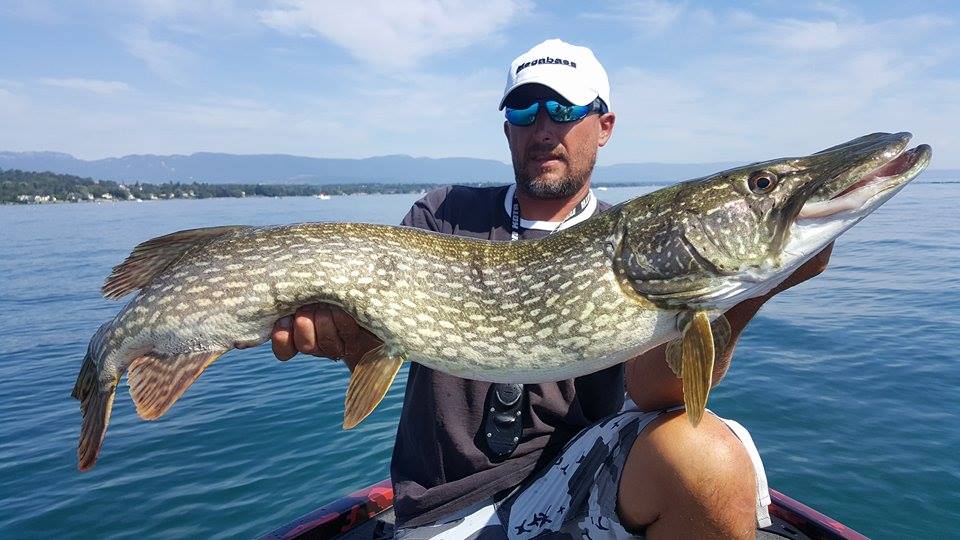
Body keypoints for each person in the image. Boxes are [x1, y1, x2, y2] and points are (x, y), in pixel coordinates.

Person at [271, 39, 832, 538]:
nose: (543, 128)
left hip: (573, 493)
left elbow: (657, 396)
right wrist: (345, 337)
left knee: (707, 455)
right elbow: (376, 333)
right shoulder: (443, 214)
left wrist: (749, 290)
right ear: (507, 126)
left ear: (603, 125)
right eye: (525, 108)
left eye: (564, 109)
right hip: (442, 507)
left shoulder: (631, 238)